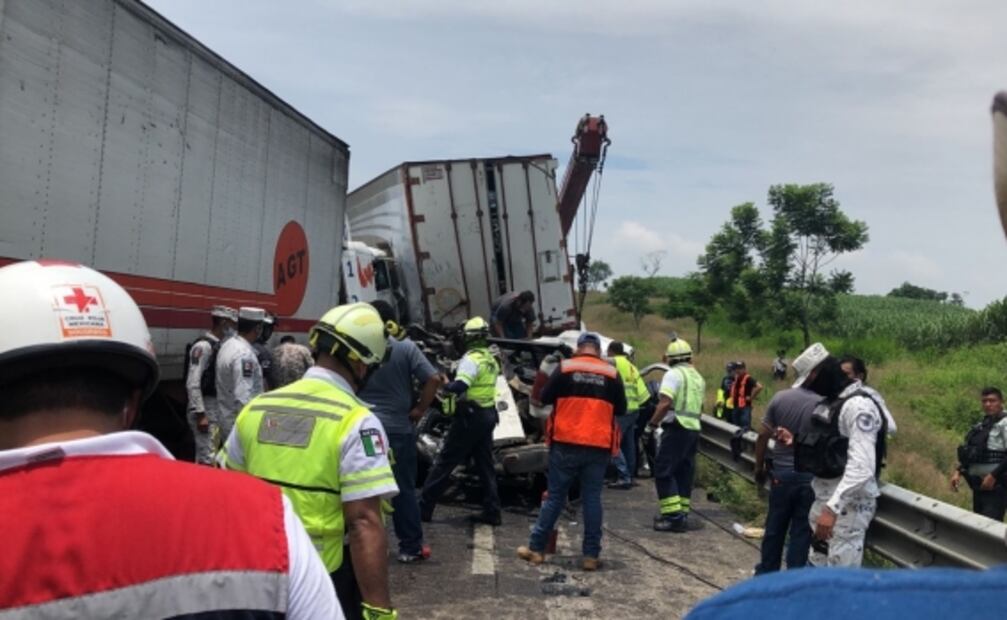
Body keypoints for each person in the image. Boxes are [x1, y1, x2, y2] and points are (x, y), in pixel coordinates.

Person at [0, 260, 339, 619]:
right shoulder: (266, 520)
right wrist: (205, 414)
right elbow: (220, 390)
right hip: (224, 418)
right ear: (133, 405)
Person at [223, 302, 399, 620]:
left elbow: (226, 493)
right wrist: (378, 610)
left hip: (256, 575)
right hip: (323, 581)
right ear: (359, 364)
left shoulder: (256, 409)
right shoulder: (356, 422)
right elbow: (363, 522)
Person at [517, 332, 626, 571]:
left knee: (555, 497)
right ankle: (590, 556)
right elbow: (621, 408)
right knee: (592, 498)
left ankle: (536, 550)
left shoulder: (566, 368)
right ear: (598, 350)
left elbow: (544, 398)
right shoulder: (611, 373)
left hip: (566, 442)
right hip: (598, 444)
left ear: (579, 348)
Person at [779, 342, 886, 568]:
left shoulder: (858, 406)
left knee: (840, 578)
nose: (810, 388)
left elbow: (862, 467)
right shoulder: (832, 403)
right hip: (825, 501)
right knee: (818, 571)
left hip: (847, 508)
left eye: (810, 381)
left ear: (820, 373)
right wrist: (795, 441)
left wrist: (832, 508)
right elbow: (831, 447)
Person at [358, 300, 442, 563]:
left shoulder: (359, 346)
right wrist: (419, 410)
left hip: (364, 430)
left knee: (364, 487)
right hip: (397, 431)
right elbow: (433, 379)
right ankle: (410, 547)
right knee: (402, 487)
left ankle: (368, 545)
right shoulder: (406, 347)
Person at [420, 317, 503, 526]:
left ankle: (423, 508)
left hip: (470, 417)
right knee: (485, 465)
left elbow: (460, 387)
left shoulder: (471, 359)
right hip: (488, 414)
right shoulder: (490, 359)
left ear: (469, 338)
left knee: (445, 461)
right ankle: (492, 511)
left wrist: (445, 383)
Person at [752, 381, 820, 573]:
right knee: (801, 531)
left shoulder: (780, 398)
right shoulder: (822, 403)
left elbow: (763, 435)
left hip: (781, 475)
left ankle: (767, 573)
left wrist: (759, 466)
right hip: (809, 477)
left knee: (775, 527)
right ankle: (793, 577)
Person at [646, 338, 706, 532]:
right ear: (690, 357)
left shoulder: (673, 374)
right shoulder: (697, 377)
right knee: (684, 473)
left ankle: (673, 518)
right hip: (693, 429)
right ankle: (681, 514)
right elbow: (700, 407)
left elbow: (665, 403)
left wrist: (651, 425)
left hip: (677, 426)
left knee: (664, 470)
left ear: (669, 358)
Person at [184, 304, 237, 464]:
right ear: (223, 323)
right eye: (232, 324)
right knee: (207, 457)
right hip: (205, 407)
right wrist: (200, 414)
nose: (234, 328)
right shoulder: (203, 346)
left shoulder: (220, 346)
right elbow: (192, 382)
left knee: (213, 454)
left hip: (215, 407)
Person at [951, 387, 1007, 521]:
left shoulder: (1004, 424)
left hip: (997, 485)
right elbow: (975, 453)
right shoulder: (983, 424)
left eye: (992, 401)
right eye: (984, 401)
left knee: (989, 525)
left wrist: (992, 476)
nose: (988, 404)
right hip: (978, 485)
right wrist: (959, 471)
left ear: (1001, 402)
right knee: (979, 523)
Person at [215, 306, 266, 440]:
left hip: (226, 418)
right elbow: (243, 397)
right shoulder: (244, 354)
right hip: (239, 425)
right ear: (258, 329)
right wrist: (248, 429)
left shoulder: (228, 344)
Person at [608, 341, 647, 489]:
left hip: (621, 411)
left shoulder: (612, 363)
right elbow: (643, 394)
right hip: (634, 410)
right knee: (628, 445)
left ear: (611, 351)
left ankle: (624, 477)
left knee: (613, 442)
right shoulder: (631, 367)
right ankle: (630, 476)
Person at [840, 355, 898, 434]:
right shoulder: (834, 393)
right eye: (839, 373)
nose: (840, 377)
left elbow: (890, 428)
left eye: (846, 374)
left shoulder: (868, 394)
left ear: (860, 376)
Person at [729, 361, 763, 461]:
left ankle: (745, 451)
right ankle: (737, 449)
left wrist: (751, 397)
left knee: (745, 428)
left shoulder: (748, 378)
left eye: (740, 368)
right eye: (736, 368)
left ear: (744, 369)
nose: (738, 370)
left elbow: (759, 386)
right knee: (736, 428)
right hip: (736, 407)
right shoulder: (736, 378)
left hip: (744, 408)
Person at [253, 312, 277, 390]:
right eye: (269, 328)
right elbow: (267, 380)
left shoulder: (240, 344)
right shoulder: (263, 352)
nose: (270, 332)